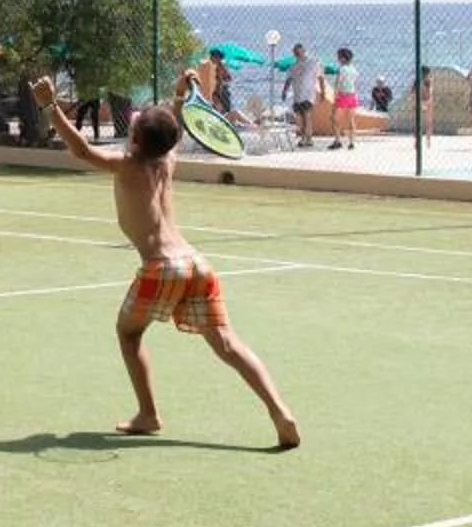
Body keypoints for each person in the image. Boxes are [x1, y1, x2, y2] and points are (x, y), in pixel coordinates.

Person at [31, 77, 300, 449]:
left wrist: (50, 107)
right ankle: (279, 410)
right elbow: (170, 129)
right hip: (196, 264)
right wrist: (176, 97)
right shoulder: (167, 162)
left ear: (136, 140)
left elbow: (81, 150)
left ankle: (148, 414)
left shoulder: (126, 165)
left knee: (128, 334)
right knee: (227, 344)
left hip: (161, 267)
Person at [282, 42, 317, 141]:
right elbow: (288, 80)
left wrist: (322, 90)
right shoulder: (293, 67)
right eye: (296, 52)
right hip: (297, 95)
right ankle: (304, 137)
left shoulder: (311, 63)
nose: (298, 53)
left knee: (307, 116)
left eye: (299, 51)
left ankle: (307, 138)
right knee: (301, 117)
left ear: (304, 51)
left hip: (308, 94)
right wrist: (284, 91)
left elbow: (319, 76)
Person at [330, 46, 361, 150]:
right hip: (352, 95)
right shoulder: (354, 70)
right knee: (351, 120)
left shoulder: (342, 69)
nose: (338, 59)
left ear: (343, 58)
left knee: (334, 118)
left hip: (342, 95)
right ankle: (352, 142)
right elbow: (355, 83)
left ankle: (337, 140)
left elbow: (338, 83)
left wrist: (335, 94)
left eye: (339, 57)